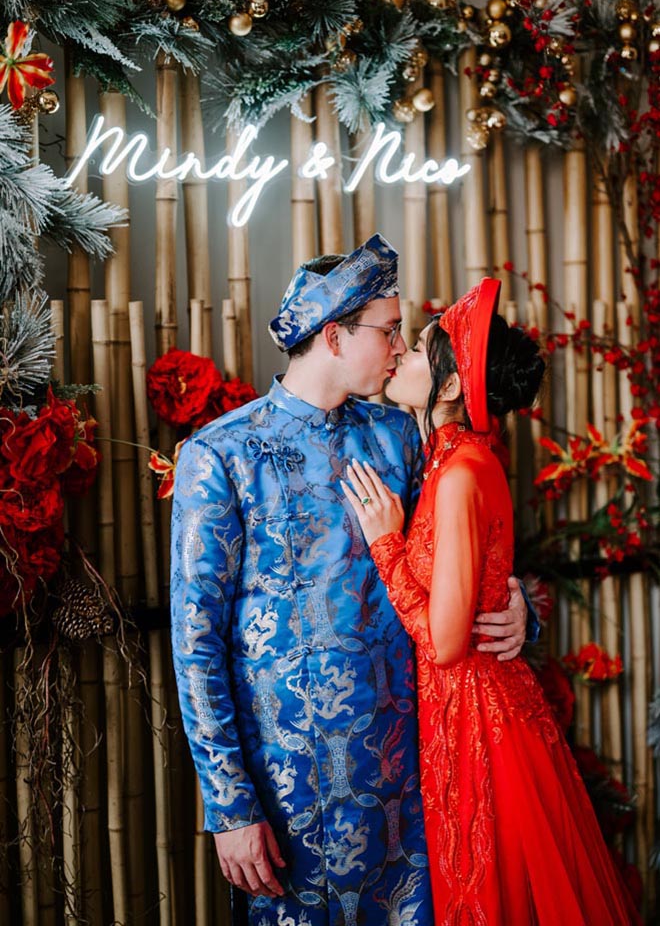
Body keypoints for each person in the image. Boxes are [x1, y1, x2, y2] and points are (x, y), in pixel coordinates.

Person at [170, 235, 533, 926]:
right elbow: (196, 645)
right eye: (390, 330)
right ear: (334, 336)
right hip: (286, 798)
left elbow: (461, 560)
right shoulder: (222, 456)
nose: (400, 347)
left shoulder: (401, 437)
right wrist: (229, 804)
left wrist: (520, 612)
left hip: (410, 788)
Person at [342, 276, 640, 925]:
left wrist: (386, 545)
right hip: (466, 710)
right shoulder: (458, 462)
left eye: (417, 350)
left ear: (448, 386)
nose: (401, 357)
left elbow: (447, 641)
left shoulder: (460, 474)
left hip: (480, 717)